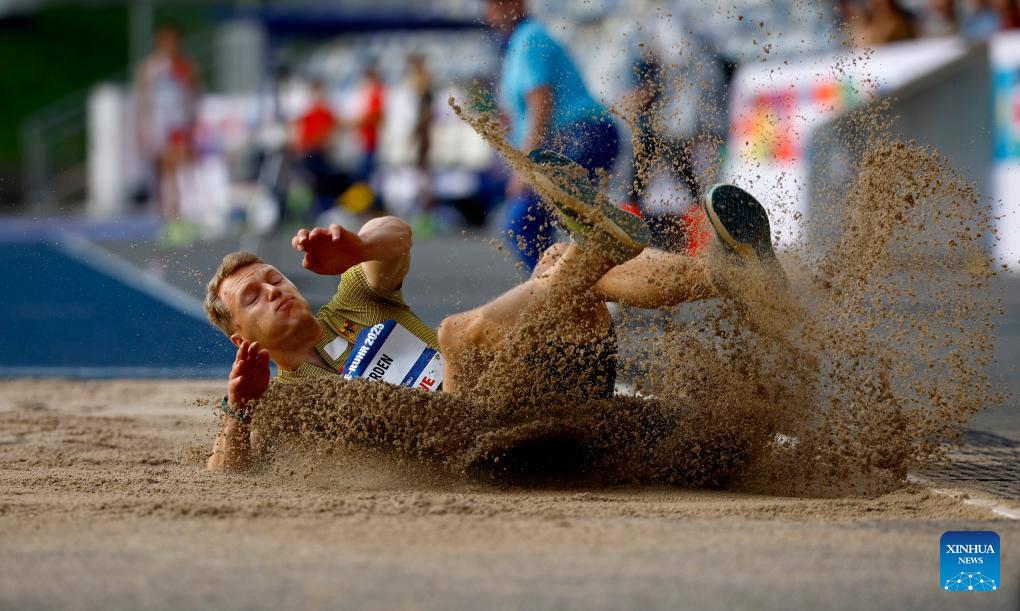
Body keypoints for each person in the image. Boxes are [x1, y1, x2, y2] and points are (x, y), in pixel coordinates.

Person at [202, 148, 785, 471]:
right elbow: (225, 477)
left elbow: (398, 238)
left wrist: (359, 246)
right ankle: (599, 248)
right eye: (252, 297)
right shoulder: (276, 397)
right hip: (469, 449)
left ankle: (732, 277)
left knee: (558, 262)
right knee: (457, 333)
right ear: (239, 337)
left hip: (528, 396)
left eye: (273, 278)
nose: (273, 290)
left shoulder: (352, 302)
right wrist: (238, 412)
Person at [487, 0, 622, 271]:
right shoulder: (515, 45)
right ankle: (573, 282)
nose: (495, 8)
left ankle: (561, 287)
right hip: (578, 136)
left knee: (523, 220)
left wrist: (525, 167)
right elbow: (520, 112)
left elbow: (541, 101)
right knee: (540, 222)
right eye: (490, 3)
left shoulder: (530, 37)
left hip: (583, 134)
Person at [134, 23, 200, 222]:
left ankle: (178, 213)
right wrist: (142, 127)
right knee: (161, 172)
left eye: (174, 40)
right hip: (158, 124)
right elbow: (142, 97)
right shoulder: (150, 66)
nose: (170, 44)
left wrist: (193, 123)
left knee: (177, 168)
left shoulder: (185, 65)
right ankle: (164, 213)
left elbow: (194, 94)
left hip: (178, 124)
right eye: (166, 40)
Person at [290, 79, 345, 215]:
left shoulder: (323, 112)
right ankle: (321, 209)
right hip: (312, 153)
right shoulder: (310, 113)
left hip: (319, 153)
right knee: (318, 184)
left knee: (323, 184)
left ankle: (323, 209)